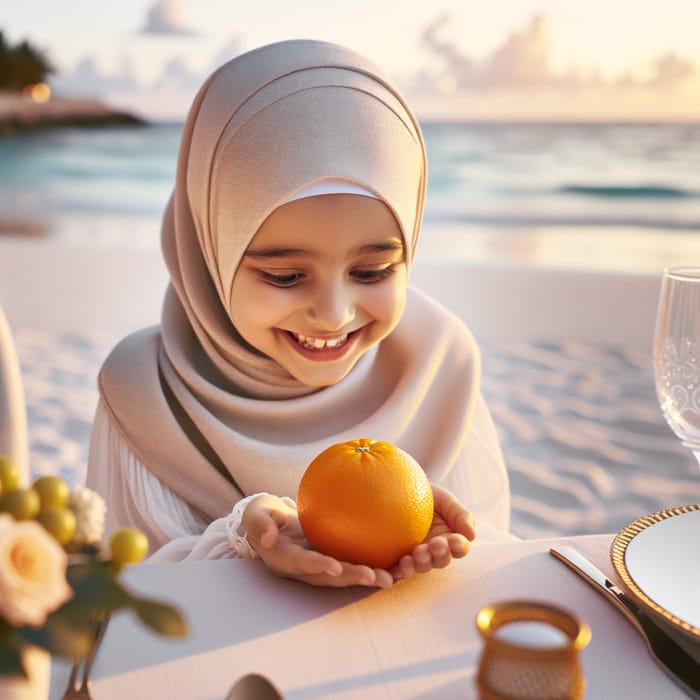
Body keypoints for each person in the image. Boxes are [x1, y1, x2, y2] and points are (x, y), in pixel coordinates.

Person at [86, 39, 510, 588]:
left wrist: (436, 548)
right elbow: (116, 601)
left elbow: (488, 558)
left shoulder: (439, 365)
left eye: (374, 270)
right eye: (285, 276)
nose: (334, 316)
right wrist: (243, 542)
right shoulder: (144, 393)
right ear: (209, 251)